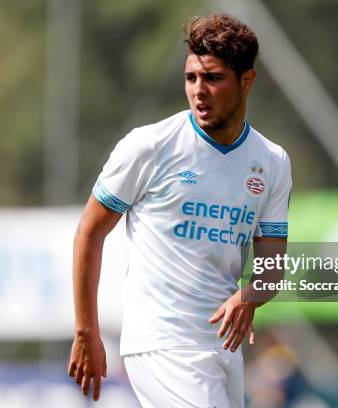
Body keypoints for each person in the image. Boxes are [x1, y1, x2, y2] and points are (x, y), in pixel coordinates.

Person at [68, 13, 292, 407]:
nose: (199, 91)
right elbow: (90, 231)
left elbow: (272, 267)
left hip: (223, 348)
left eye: (213, 78)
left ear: (247, 81)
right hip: (161, 341)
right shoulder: (150, 146)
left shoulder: (272, 161)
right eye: (191, 78)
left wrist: (251, 294)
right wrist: (87, 331)